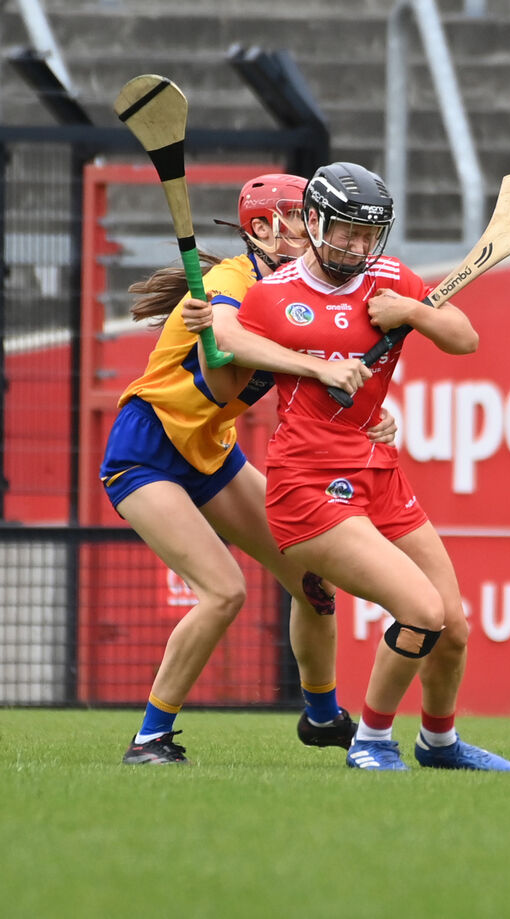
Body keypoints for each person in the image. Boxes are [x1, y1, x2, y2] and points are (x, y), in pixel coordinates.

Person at [199, 161, 510, 772]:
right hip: (308, 483)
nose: (357, 246)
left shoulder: (391, 278)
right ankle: (370, 741)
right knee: (419, 612)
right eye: (345, 231)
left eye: (369, 234)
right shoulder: (274, 295)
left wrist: (414, 313)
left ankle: (440, 743)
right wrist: (311, 365)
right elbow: (227, 349)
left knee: (452, 627)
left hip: (378, 472)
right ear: (314, 223)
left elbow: (464, 337)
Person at [102, 174, 384, 765]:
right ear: (262, 229)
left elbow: (329, 372)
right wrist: (313, 367)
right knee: (223, 591)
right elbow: (228, 346)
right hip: (148, 447)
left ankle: (322, 715)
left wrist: (371, 416)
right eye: (302, 217)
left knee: (315, 580)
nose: (317, 232)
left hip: (212, 451)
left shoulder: (295, 295)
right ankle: (150, 738)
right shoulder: (230, 281)